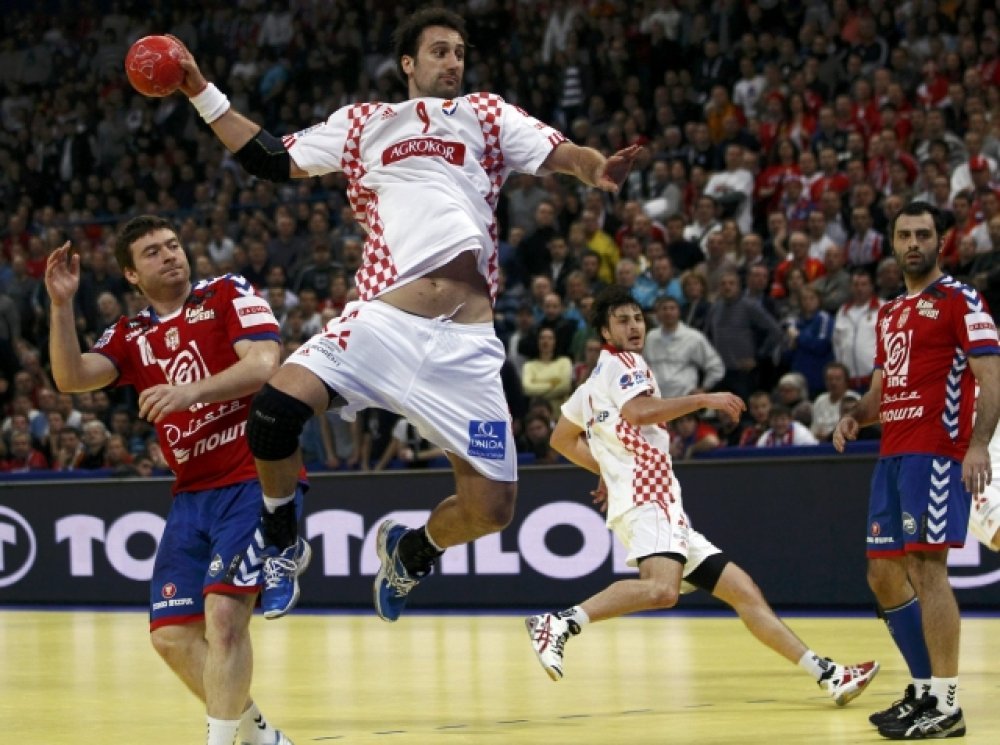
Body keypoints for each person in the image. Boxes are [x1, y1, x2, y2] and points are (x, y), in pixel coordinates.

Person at [168, 7, 641, 623]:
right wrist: (198, 89)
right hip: (382, 325)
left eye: (460, 53)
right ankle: (281, 539)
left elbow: (562, 154)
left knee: (492, 509)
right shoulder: (364, 124)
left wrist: (595, 168)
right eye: (440, 51)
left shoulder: (486, 115)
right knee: (274, 414)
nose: (453, 62)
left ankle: (413, 550)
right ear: (408, 64)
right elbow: (267, 156)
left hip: (465, 347)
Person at [527, 285, 879, 706]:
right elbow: (638, 412)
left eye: (638, 318)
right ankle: (560, 623)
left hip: (652, 501)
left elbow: (561, 439)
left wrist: (607, 470)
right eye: (622, 321)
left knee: (743, 591)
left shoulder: (591, 383)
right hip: (648, 497)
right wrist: (703, 399)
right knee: (662, 590)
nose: (635, 326)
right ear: (605, 330)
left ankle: (828, 675)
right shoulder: (627, 364)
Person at [44, 216, 296, 745]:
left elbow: (264, 364)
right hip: (191, 494)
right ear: (132, 275)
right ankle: (259, 737)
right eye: (153, 252)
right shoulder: (131, 333)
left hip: (251, 477)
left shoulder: (226, 292)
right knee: (172, 636)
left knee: (223, 617)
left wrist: (189, 392)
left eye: (173, 245)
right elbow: (71, 378)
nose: (169, 255)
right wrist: (62, 305)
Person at [833, 201, 1000, 739]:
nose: (913, 243)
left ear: (940, 242)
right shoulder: (888, 313)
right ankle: (925, 689)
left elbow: (992, 378)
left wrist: (978, 445)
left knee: (928, 571)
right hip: (893, 453)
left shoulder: (960, 299)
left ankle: (947, 705)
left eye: (923, 235)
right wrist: (855, 416)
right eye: (904, 235)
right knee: (882, 574)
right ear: (892, 241)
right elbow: (880, 393)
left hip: (937, 452)